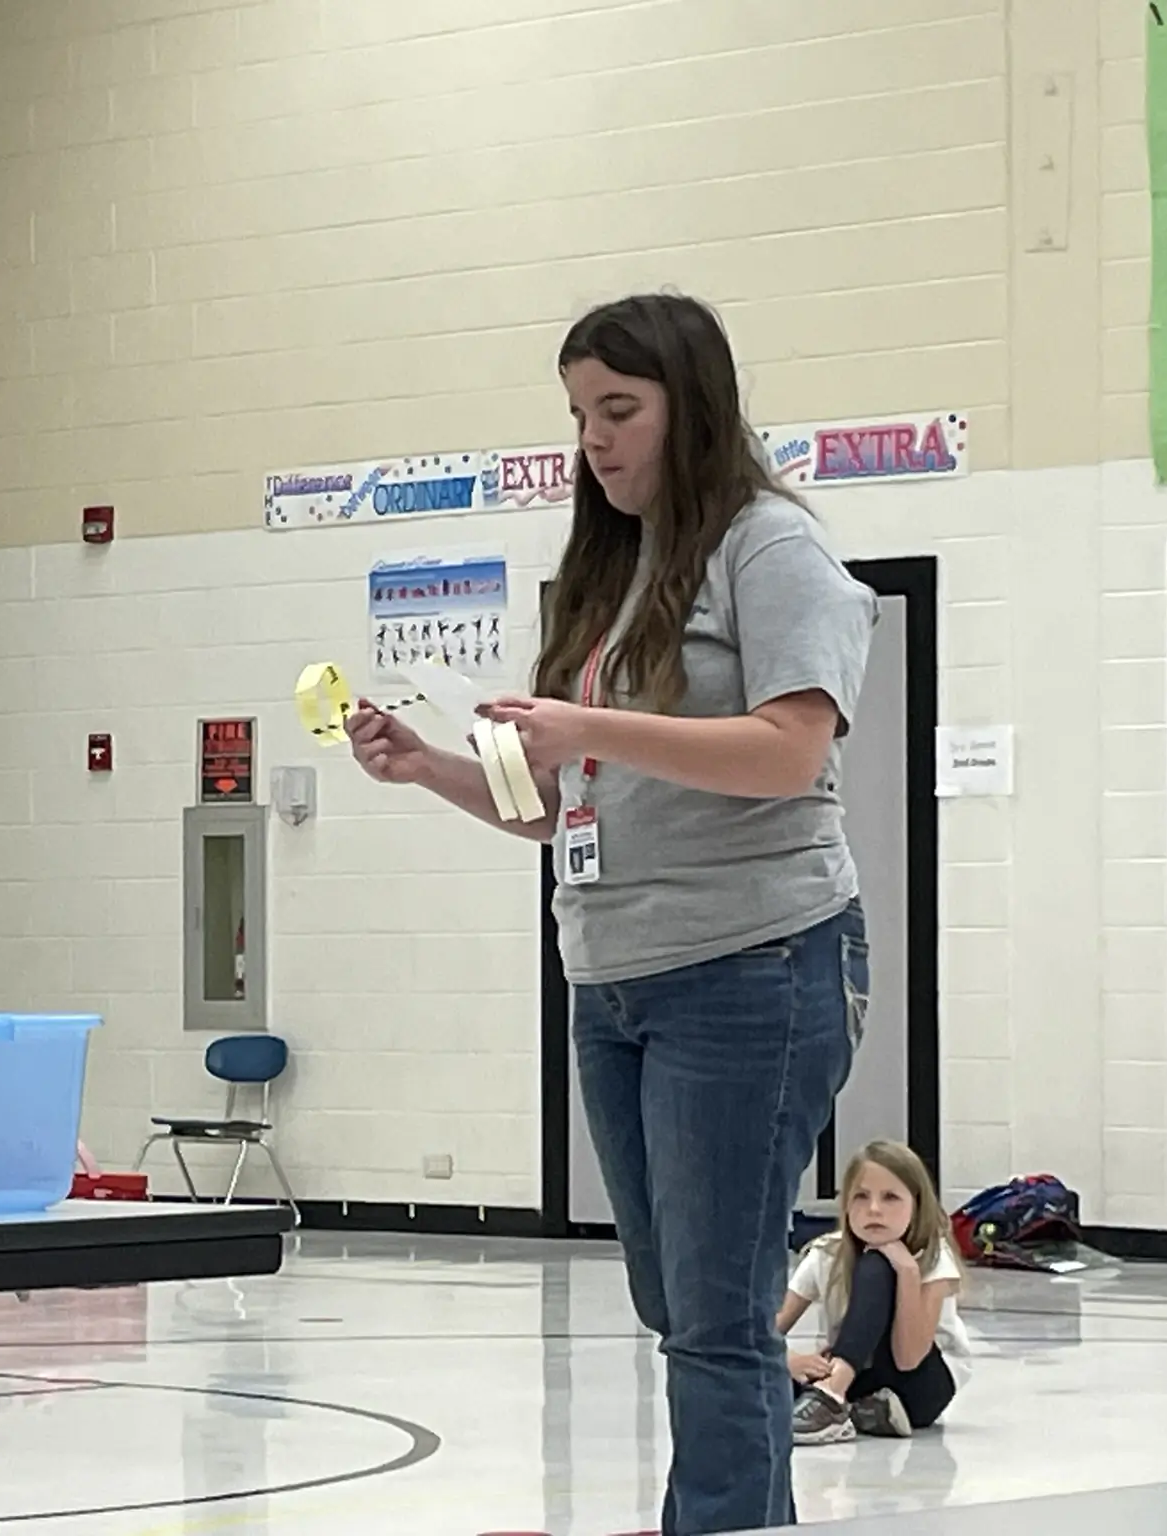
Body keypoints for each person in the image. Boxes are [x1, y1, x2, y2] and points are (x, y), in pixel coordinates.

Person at [346, 294, 878, 1536]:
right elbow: (556, 803)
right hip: (611, 973)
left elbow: (788, 752)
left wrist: (581, 725)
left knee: (709, 1309)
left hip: (752, 965)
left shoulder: (769, 548)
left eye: (618, 409)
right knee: (673, 1295)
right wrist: (429, 765)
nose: (593, 437)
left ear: (690, 405)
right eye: (579, 413)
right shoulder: (602, 577)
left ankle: (721, 1518)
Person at [781, 1140, 970, 1443]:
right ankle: (857, 1409)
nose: (874, 1209)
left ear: (917, 1205)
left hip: (918, 1386)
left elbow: (908, 1358)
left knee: (876, 1265)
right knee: (759, 1379)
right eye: (861, 1196)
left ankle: (833, 1396)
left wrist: (907, 1272)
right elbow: (768, 1329)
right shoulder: (826, 1253)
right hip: (861, 1375)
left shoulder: (935, 1258)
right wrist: (788, 1359)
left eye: (891, 1197)